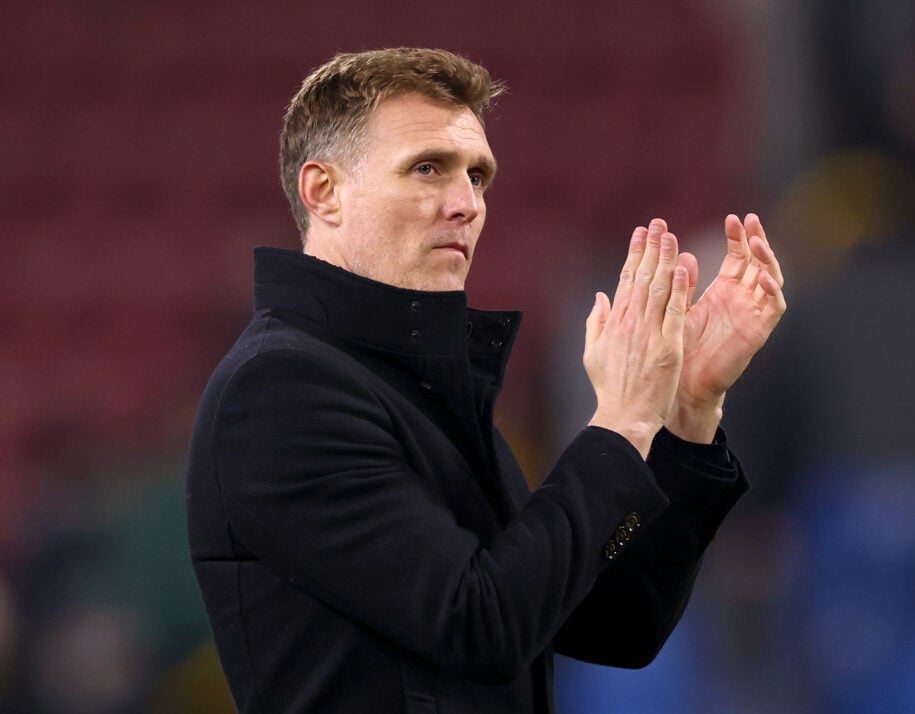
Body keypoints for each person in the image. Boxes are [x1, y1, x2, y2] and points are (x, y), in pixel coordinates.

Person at [186, 47, 785, 713]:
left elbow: (616, 624)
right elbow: (481, 623)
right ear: (323, 191)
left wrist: (687, 419)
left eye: (478, 176)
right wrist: (621, 422)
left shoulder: (422, 391)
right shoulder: (282, 391)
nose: (466, 204)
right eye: (427, 169)